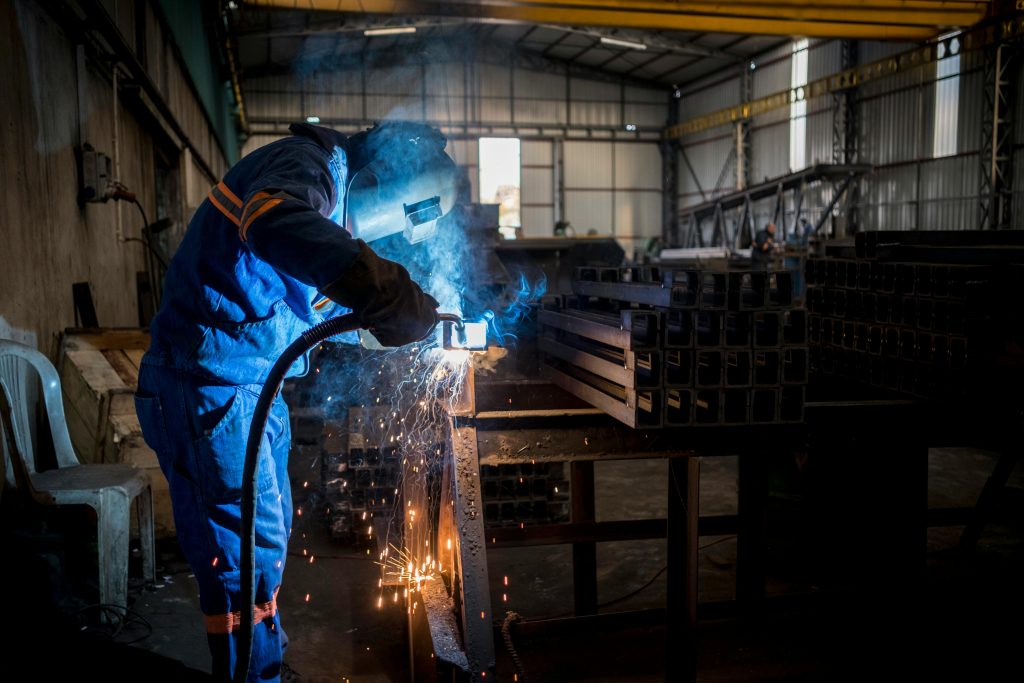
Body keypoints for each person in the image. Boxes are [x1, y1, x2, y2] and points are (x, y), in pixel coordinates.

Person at [133, 121, 458, 682]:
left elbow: (323, 305)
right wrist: (373, 284)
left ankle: (265, 664)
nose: (383, 246)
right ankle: (251, 676)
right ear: (384, 183)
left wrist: (414, 317)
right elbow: (270, 221)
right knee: (244, 563)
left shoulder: (327, 208)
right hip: (210, 389)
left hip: (252, 388)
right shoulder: (310, 168)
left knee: (270, 536)